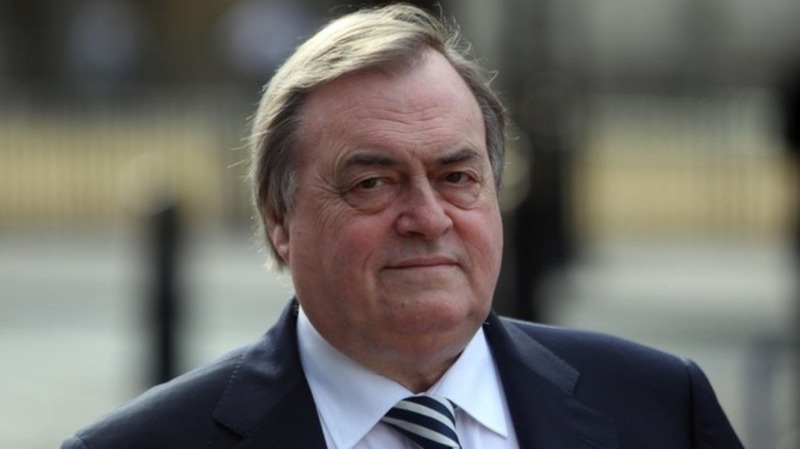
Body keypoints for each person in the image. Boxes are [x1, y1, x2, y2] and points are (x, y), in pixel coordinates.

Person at [62, 4, 744, 448]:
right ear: (279, 219)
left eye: (457, 177)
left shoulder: (661, 409)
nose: (427, 218)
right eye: (372, 183)